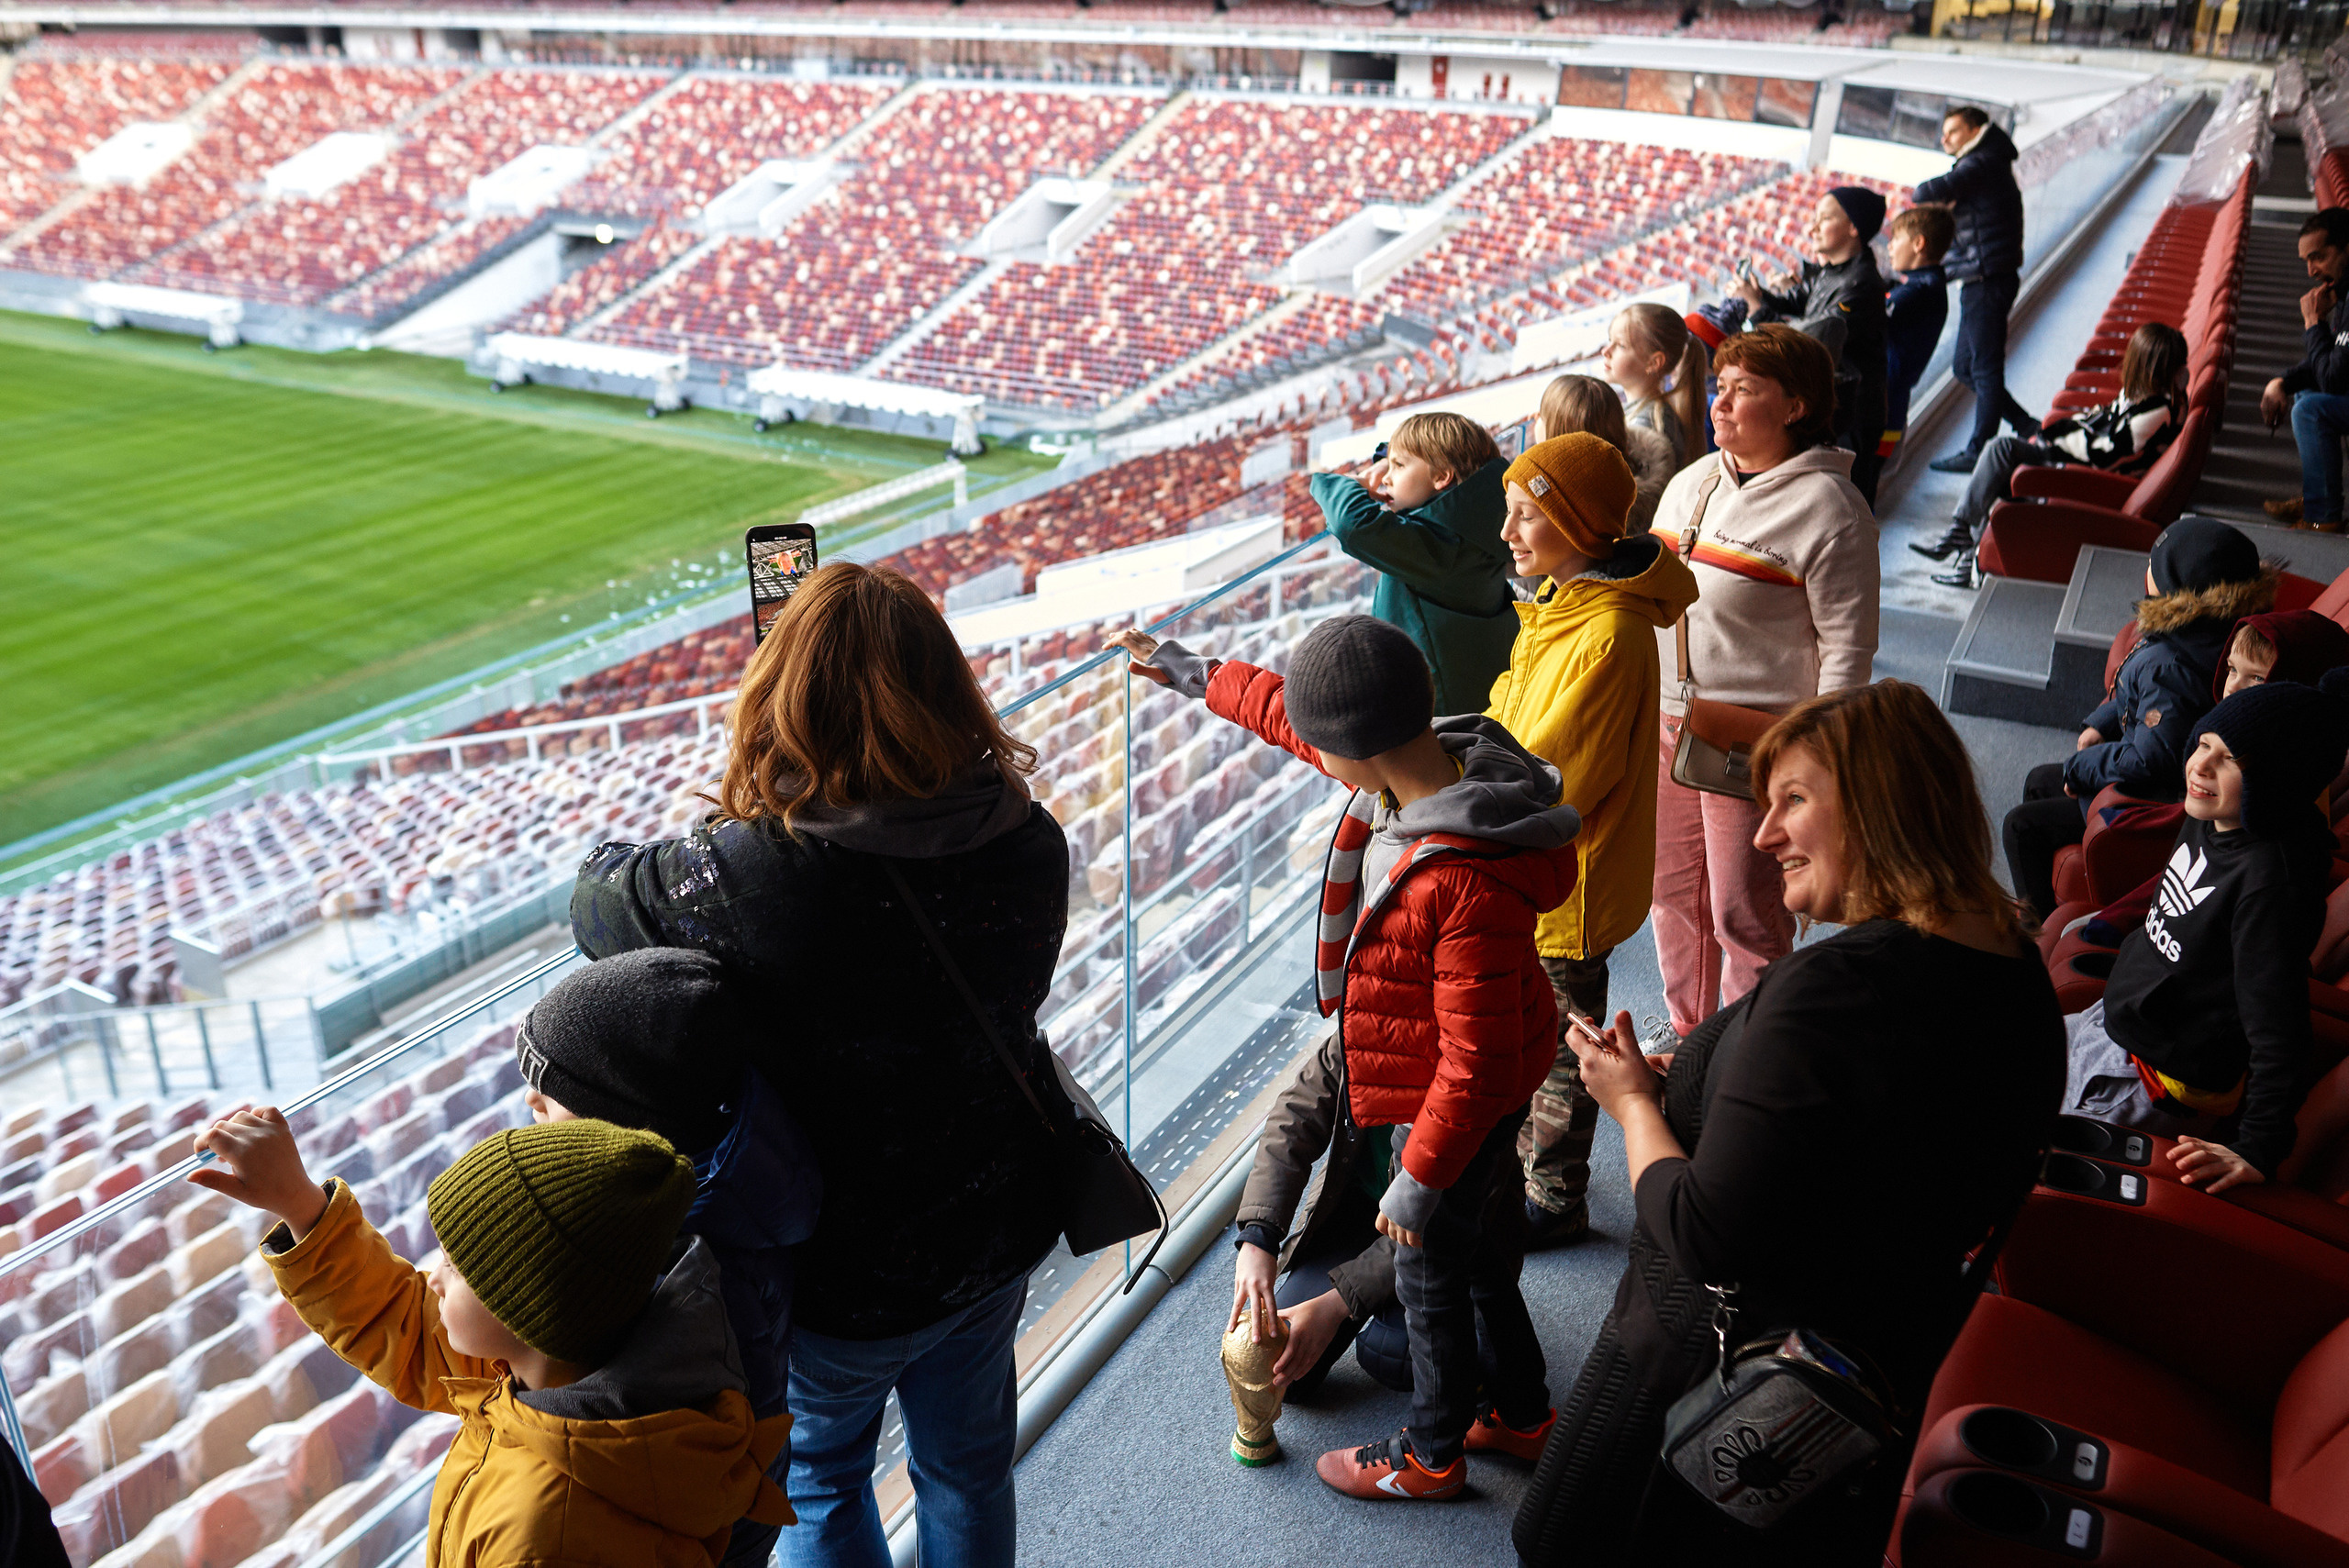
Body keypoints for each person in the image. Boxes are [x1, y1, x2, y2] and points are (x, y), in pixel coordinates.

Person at [569, 562, 1068, 1568]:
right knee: (969, 1470)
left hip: (835, 1277)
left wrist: (752, 791)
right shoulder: (1030, 838)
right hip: (994, 1226)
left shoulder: (752, 873)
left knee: (822, 1480)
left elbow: (598, 902)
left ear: (780, 701)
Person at [1511, 680, 2065, 1566]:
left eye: (1793, 801)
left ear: (1883, 806)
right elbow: (1870, 1132)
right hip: (1862, 1373)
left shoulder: (1832, 989)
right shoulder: (2014, 968)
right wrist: (1712, 1087)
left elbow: (1702, 1233)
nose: (1765, 834)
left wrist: (1632, 1106)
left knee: (1569, 1541)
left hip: (1705, 1363)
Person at [1108, 613, 1575, 1500]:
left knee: (1430, 1279)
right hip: (1462, 1079)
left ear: (1354, 755)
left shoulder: (1463, 877)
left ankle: (1429, 1456)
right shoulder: (1418, 761)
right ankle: (1521, 1414)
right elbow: (1287, 713)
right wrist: (1190, 671)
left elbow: (1473, 1060)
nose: (1310, 754)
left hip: (1459, 1098)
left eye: (1325, 750)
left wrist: (1420, 1174)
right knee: (1473, 1266)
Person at [190, 1111, 793, 1566]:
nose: (434, 1271)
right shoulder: (550, 1367)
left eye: (457, 1263)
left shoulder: (547, 1537)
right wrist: (301, 1204)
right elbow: (407, 1323)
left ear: (526, 1305)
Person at [513, 948, 820, 1568]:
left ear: (625, 1117)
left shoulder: (683, 1258)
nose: (529, 1104)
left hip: (711, 1530)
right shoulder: (735, 1182)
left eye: (550, 1094)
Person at [1488, 432, 1698, 1245]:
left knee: (1563, 1044)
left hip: (1566, 883)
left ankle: (1556, 1195)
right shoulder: (1558, 606)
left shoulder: (1606, 630)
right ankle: (1532, 1167)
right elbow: (1510, 710)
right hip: (1536, 869)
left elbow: (1556, 774)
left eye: (1524, 515)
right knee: (1534, 1030)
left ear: (1575, 527)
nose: (1507, 533)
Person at [1645, 324, 1880, 1037]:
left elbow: (1847, 651)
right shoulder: (1693, 481)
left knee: (1743, 911)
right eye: (1721, 387)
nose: (1722, 403)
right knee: (1671, 894)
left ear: (1796, 406)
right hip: (1664, 725)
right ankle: (1690, 1034)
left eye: (1745, 390)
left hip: (1755, 743)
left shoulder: (1832, 511)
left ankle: (1750, 1042)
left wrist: (1814, 763)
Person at [2061, 675, 2349, 1193]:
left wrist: (2259, 1146)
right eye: (2202, 745)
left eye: (2228, 760)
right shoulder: (2215, 818)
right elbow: (2171, 898)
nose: (2199, 765)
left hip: (2151, 1078)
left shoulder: (2269, 885)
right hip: (2117, 1021)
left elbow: (2277, 1025)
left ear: (2277, 780)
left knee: (2018, 1154)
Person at [2001, 519, 2277, 918]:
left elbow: (2153, 758)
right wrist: (2102, 720)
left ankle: (2036, 928)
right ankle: (2044, 885)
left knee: (2019, 827)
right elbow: (2147, 698)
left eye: (2154, 564)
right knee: (2041, 780)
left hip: (2149, 797)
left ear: (2177, 588)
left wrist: (2082, 766)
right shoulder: (2201, 631)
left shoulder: (2171, 665)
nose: (2146, 568)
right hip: (2147, 752)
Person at [1912, 321, 2189, 588]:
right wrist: (2062, 433)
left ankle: (1963, 539)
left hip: (2090, 478)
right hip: (2082, 463)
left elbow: (2105, 455)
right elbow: (2103, 423)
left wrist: (2054, 440)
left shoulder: (2157, 410)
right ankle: (1965, 545)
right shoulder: (2150, 397)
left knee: (2002, 452)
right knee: (2003, 462)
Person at [1311, 410, 1518, 714]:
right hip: (1479, 689)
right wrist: (1389, 458)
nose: (1386, 478)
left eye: (1398, 466)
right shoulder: (1481, 517)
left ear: (1441, 477)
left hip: (1437, 711)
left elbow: (1349, 523)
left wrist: (1351, 483)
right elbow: (1421, 455)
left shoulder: (1438, 545)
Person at [1734, 184, 1890, 506]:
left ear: (1853, 228)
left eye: (1825, 219)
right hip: (1835, 403)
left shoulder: (1861, 283)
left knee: (1845, 506)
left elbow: (1813, 340)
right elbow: (1800, 300)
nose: (1812, 228)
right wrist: (1761, 295)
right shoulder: (1834, 270)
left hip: (1853, 413)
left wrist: (1757, 310)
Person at [1919, 104, 2034, 473]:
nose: (1945, 140)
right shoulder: (1989, 161)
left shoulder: (1981, 163)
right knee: (1966, 367)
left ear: (1975, 130)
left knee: (1983, 368)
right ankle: (2027, 424)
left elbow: (1926, 191)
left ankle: (1977, 450)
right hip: (1983, 275)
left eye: (1952, 131)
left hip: (1987, 277)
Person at [2258, 207, 2349, 531]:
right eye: (2306, 261)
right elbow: (2333, 362)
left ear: (2346, 248)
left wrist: (2313, 323)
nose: (2311, 271)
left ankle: (2324, 518)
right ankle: (2316, 496)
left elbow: (2334, 380)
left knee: (2310, 410)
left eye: (2319, 257)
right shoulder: (2343, 290)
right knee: (2305, 391)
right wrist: (2281, 382)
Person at [1532, 373, 1676, 535]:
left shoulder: (1565, 524)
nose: (1534, 417)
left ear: (1561, 438)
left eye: (1542, 416)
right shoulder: (1651, 487)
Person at [1879, 204, 1954, 473]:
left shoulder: (1917, 292)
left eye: (1895, 239)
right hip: (1895, 403)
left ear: (1918, 243)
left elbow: (1867, 323)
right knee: (1872, 476)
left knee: (1868, 474)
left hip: (1885, 405)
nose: (1889, 247)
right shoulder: (1929, 285)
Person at [1599, 300, 1709, 472]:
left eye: (1620, 345)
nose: (1605, 351)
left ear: (1653, 362)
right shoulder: (1653, 415)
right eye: (1609, 340)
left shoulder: (1647, 426)